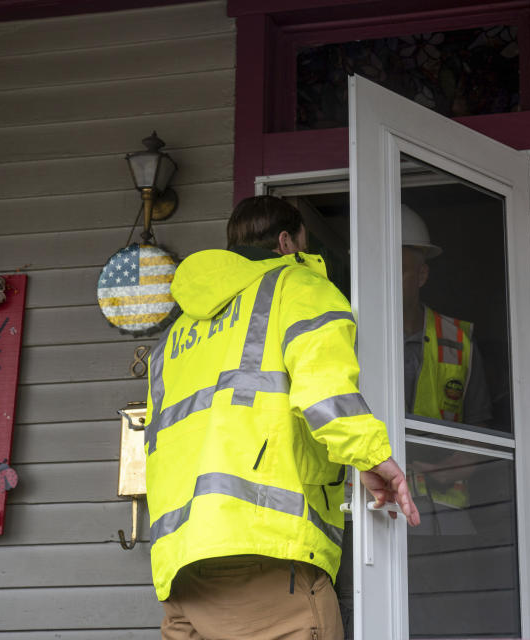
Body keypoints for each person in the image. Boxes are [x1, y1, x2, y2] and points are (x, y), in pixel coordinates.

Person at [144, 195, 420, 640]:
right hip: (267, 553)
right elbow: (325, 390)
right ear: (287, 241)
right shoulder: (296, 285)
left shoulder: (174, 334)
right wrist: (372, 458)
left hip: (182, 570)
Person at [400, 204, 492, 517]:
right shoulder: (348, 337)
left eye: (399, 270)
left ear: (422, 275)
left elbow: (480, 424)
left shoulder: (458, 340)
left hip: (444, 510)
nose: (385, 279)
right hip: (369, 506)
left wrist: (457, 468)